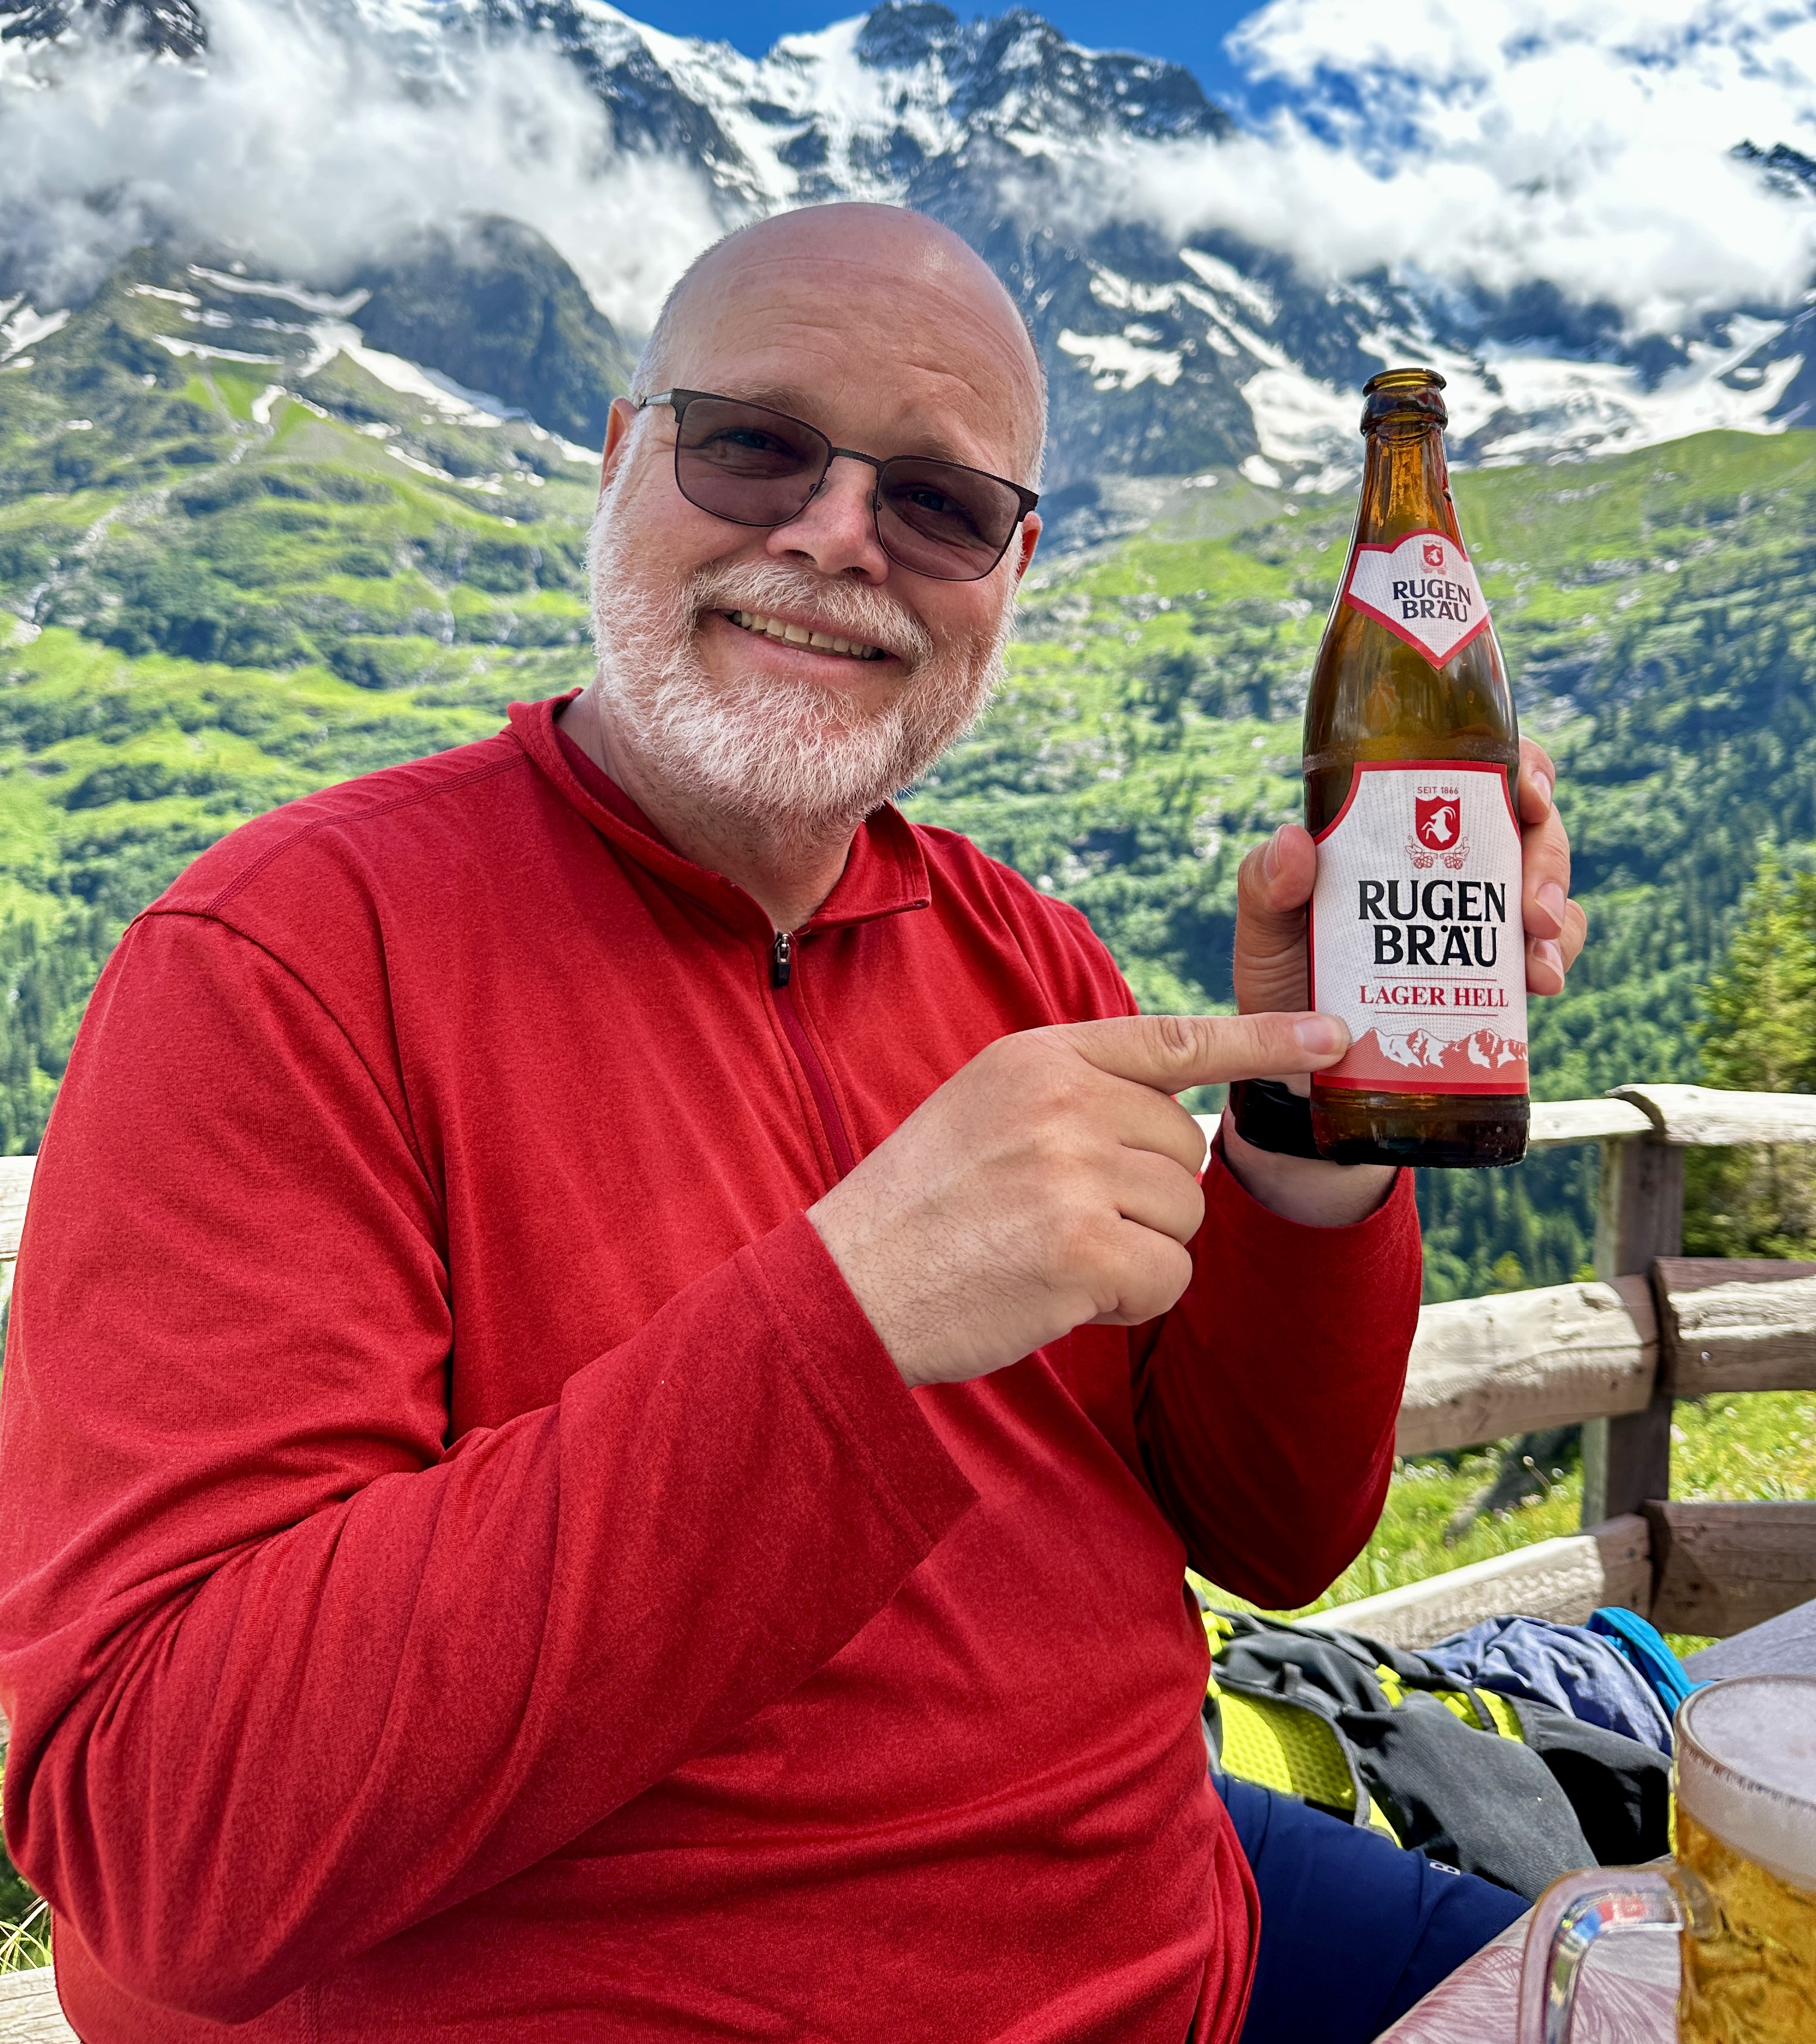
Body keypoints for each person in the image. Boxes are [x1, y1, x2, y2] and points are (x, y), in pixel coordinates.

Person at [0, 205, 1584, 2043]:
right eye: (752, 445)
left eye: (939, 501)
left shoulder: (1029, 954)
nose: (836, 535)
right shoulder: (282, 962)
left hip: (1179, 1911)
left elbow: (1273, 1529)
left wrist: (1309, 1136)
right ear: (620, 458)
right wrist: (853, 1312)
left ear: (1009, 568)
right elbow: (163, 1840)